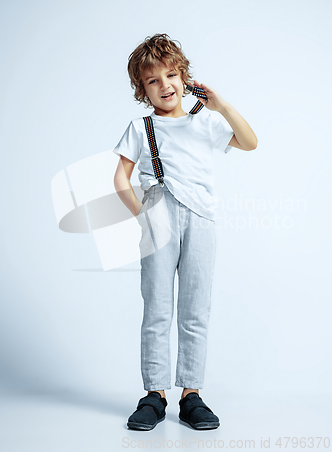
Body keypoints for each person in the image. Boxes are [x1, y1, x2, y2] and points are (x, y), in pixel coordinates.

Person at [113, 33, 258, 431]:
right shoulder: (141, 127)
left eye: (172, 75)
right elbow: (120, 179)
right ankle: (154, 395)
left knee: (195, 309)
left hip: (202, 219)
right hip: (157, 214)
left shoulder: (205, 121)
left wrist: (222, 105)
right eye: (153, 80)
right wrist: (143, 213)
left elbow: (250, 142)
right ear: (141, 89)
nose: (165, 86)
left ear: (185, 77)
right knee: (157, 308)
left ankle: (190, 394)